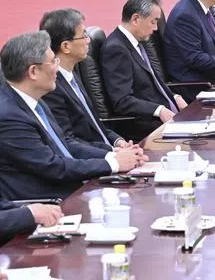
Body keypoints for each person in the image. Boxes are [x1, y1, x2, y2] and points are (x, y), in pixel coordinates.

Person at [0, 32, 145, 200]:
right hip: (50, 201)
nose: (57, 68)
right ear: (33, 71)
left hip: (73, 186)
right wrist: (113, 164)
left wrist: (114, 155)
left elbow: (65, 146)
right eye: (53, 61)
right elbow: (52, 167)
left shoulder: (35, 101)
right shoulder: (10, 117)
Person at [38, 8, 128, 151]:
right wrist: (111, 153)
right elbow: (68, 141)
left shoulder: (72, 75)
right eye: (83, 36)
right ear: (66, 46)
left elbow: (94, 124)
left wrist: (117, 141)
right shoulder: (52, 87)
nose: (88, 40)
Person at [101, 0, 187, 135]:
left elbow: (153, 83)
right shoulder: (116, 49)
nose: (156, 28)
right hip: (145, 124)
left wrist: (175, 97)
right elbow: (122, 101)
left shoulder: (137, 41)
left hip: (167, 114)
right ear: (136, 19)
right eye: (153, 22)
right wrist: (159, 110)